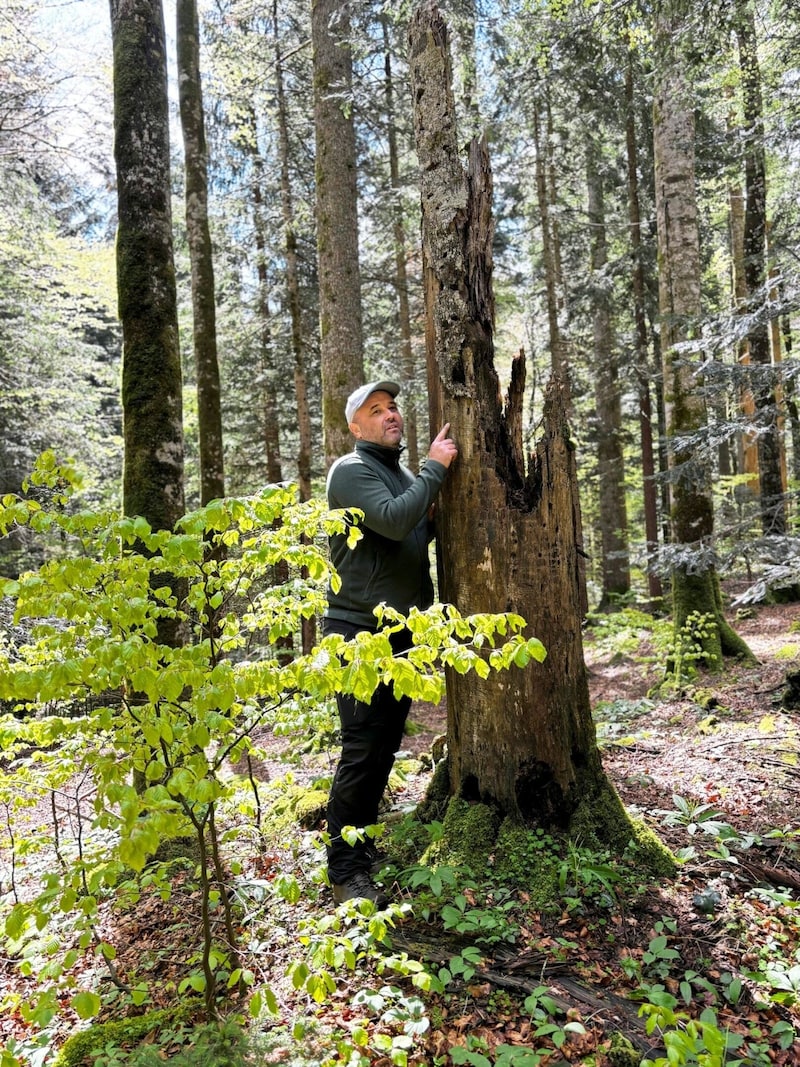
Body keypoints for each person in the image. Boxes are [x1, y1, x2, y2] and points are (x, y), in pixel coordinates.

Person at [323, 380, 458, 906]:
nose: (389, 415)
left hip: (400, 631)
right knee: (362, 748)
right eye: (375, 411)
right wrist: (435, 470)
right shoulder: (352, 471)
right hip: (359, 632)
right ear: (356, 427)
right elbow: (397, 520)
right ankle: (346, 870)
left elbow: (417, 534)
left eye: (392, 407)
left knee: (383, 746)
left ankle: (362, 844)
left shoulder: (398, 474)